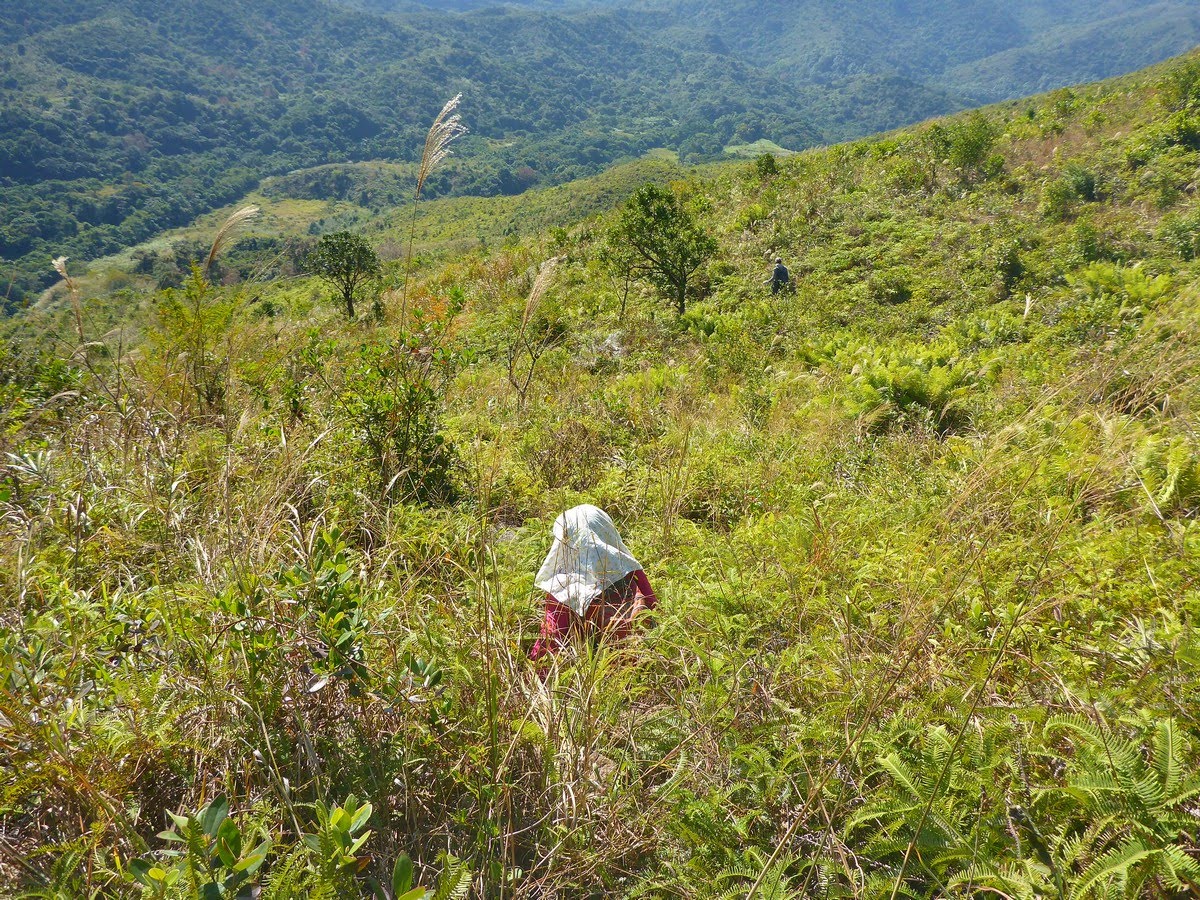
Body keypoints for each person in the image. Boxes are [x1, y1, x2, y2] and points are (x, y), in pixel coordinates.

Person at [528, 504, 658, 661]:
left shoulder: (563, 587)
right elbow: (653, 606)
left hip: (597, 666)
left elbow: (550, 642)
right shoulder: (627, 565)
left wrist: (537, 670)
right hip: (641, 657)